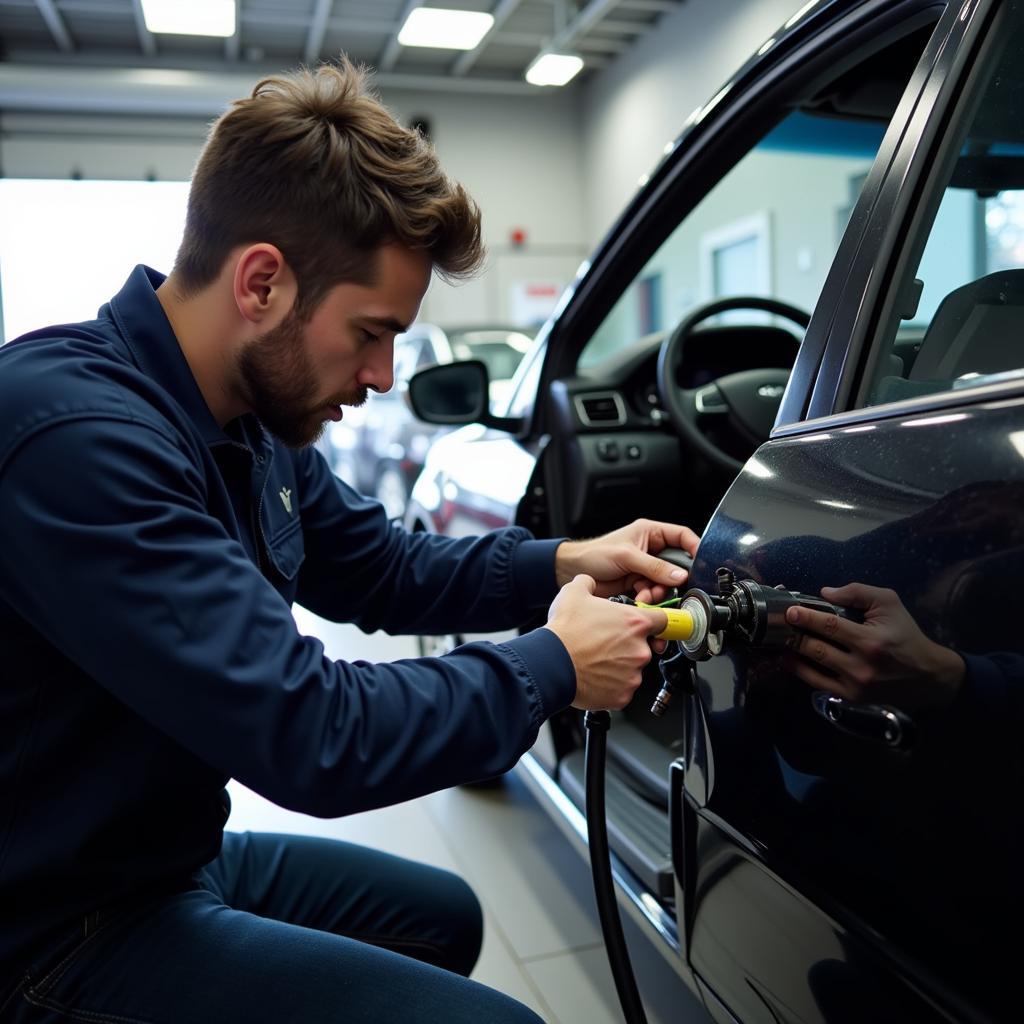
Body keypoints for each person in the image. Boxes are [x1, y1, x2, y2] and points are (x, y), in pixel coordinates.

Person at [0, 61, 700, 1023]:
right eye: (370, 333)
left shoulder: (243, 413)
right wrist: (552, 667)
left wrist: (564, 562)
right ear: (261, 282)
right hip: (48, 925)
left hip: (156, 853)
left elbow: (380, 567)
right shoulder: (75, 442)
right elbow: (313, 736)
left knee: (440, 916)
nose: (380, 376)